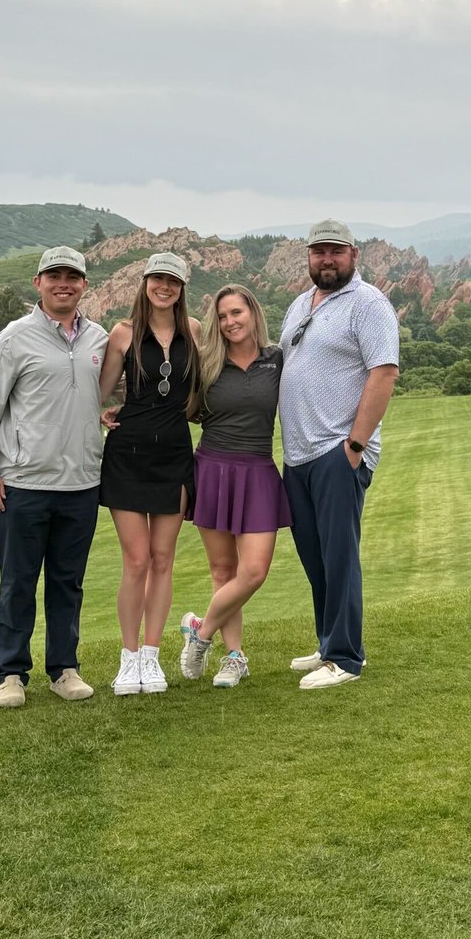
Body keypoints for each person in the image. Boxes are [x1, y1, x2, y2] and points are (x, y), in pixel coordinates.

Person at [0, 246, 109, 708]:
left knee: (68, 582)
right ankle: (11, 673)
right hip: (23, 485)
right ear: (38, 283)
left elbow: (108, 397)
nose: (63, 283)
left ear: (84, 285)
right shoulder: (14, 338)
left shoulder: (100, 340)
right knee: (17, 582)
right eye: (54, 276)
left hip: (82, 485)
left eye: (72, 276)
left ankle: (64, 669)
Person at [278, 220, 399, 690]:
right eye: (318, 252)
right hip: (299, 455)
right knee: (315, 556)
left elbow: (384, 373)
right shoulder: (301, 303)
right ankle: (330, 640)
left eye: (336, 251)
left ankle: (346, 658)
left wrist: (354, 446)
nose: (326, 259)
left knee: (339, 554)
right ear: (308, 257)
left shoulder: (368, 304)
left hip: (337, 450)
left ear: (353, 254)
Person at [98, 252, 201, 696]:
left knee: (163, 559)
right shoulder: (123, 333)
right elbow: (100, 391)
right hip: (128, 455)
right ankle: (127, 658)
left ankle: (152, 657)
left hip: (175, 455)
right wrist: (105, 411)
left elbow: (201, 388)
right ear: (144, 283)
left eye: (173, 281)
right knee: (136, 560)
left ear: (181, 288)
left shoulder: (194, 330)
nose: (165, 287)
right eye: (158, 279)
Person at [178, 284, 291, 687]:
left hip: (258, 471)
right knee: (223, 571)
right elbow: (178, 406)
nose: (230, 322)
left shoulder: (276, 360)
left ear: (253, 313)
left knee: (254, 571)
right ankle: (234, 657)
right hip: (212, 470)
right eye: (223, 316)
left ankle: (200, 631)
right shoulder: (207, 362)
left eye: (236, 313)